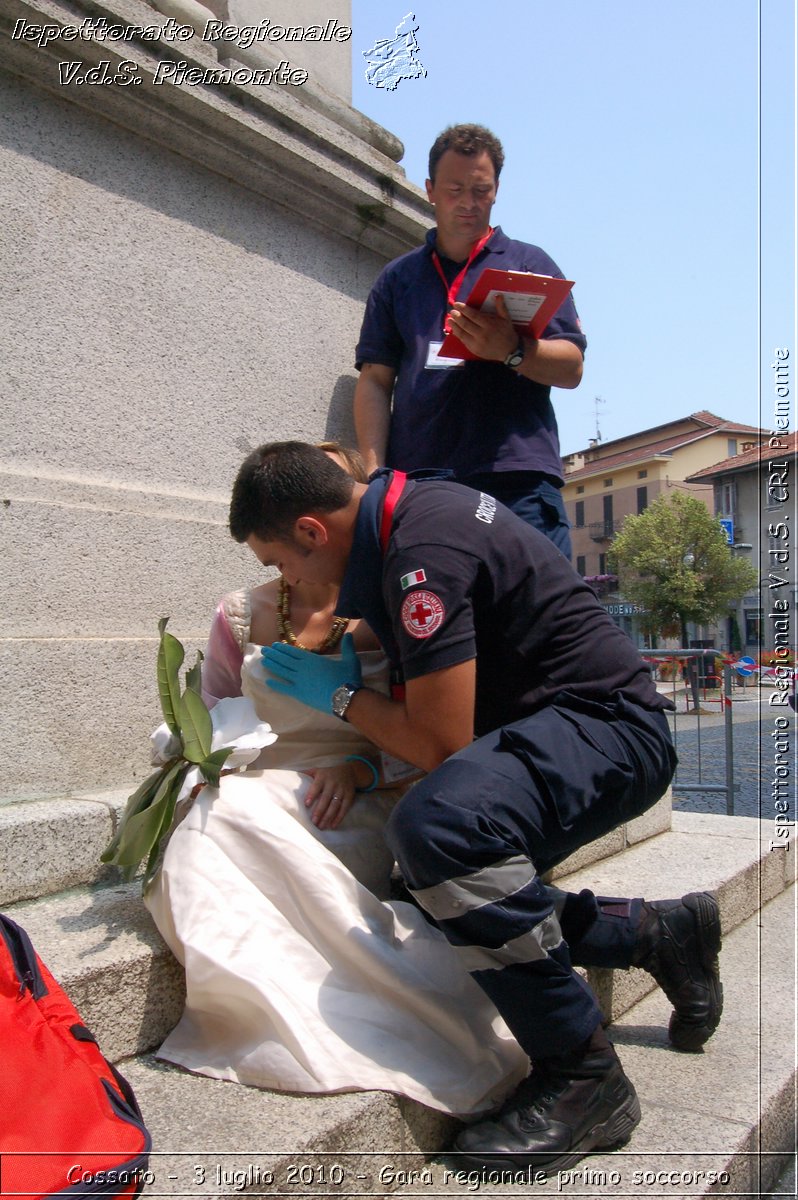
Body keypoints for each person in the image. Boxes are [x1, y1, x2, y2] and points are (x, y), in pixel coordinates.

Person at [232, 442, 724, 1174]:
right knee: (426, 885)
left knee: (440, 830)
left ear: (311, 530)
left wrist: (339, 695)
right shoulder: (407, 519)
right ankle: (651, 933)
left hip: (609, 726)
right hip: (568, 724)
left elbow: (438, 743)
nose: (285, 580)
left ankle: (583, 1077)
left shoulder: (419, 553)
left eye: (278, 563)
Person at [143, 443, 528, 1115]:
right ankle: (255, 999)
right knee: (217, 821)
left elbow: (441, 739)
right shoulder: (240, 614)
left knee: (239, 825)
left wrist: (361, 766)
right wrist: (196, 754)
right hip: (255, 786)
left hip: (364, 800)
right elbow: (212, 717)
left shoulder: (400, 608)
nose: (280, 567)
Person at [354, 123, 586, 558]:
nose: (467, 202)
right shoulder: (398, 279)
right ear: (430, 190)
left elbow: (572, 367)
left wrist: (513, 350)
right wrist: (375, 474)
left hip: (518, 481)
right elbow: (375, 380)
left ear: (497, 190)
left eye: (480, 190)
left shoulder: (531, 265)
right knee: (436, 622)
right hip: (423, 485)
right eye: (455, 188)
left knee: (537, 622)